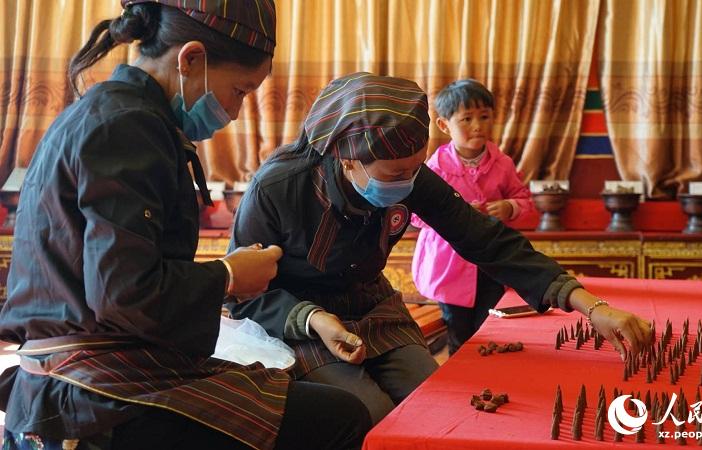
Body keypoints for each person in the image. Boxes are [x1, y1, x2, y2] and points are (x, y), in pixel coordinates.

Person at [0, 2, 370, 449]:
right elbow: (123, 293)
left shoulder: (110, 113)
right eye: (240, 91)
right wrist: (228, 276)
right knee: (340, 417)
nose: (235, 112)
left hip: (87, 371)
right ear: (191, 58)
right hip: (91, 391)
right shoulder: (129, 127)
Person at [228, 72, 654, 425]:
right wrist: (315, 319)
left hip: (373, 309)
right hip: (298, 320)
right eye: (396, 173)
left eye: (416, 169)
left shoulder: (408, 177)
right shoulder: (278, 188)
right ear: (348, 159)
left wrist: (590, 306)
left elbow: (483, 238)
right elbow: (244, 295)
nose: (408, 182)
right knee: (368, 415)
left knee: (431, 408)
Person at [411, 79, 536, 355]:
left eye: (484, 116)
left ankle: (487, 376)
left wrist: (509, 207)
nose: (477, 125)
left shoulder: (502, 163)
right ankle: (459, 377)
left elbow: (525, 200)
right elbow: (415, 215)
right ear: (444, 125)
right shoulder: (435, 167)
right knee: (458, 335)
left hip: (492, 265)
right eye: (466, 119)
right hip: (449, 268)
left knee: (490, 330)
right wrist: (455, 212)